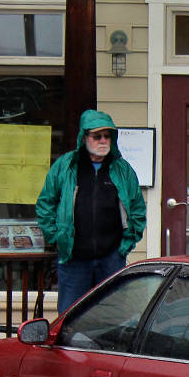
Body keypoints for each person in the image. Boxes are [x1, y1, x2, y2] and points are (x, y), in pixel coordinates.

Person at [36, 109, 147, 310]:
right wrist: (57, 238)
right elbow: (46, 204)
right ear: (84, 137)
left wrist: (125, 245)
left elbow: (138, 209)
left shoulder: (123, 170)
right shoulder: (66, 166)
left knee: (111, 316)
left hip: (111, 259)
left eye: (107, 136)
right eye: (97, 136)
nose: (103, 140)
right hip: (73, 259)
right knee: (70, 316)